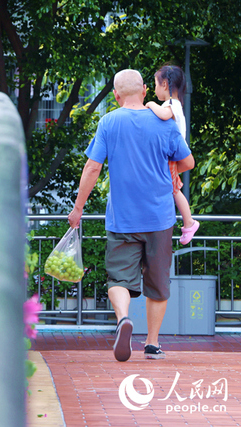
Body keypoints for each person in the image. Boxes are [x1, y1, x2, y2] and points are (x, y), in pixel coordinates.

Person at [68, 69, 194, 362]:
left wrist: (78, 208)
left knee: (118, 280)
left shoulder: (109, 122)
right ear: (145, 91)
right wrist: (171, 170)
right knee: (158, 286)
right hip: (160, 219)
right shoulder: (166, 123)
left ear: (115, 95)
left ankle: (123, 319)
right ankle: (152, 344)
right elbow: (188, 161)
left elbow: (92, 168)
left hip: (122, 219)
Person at [146, 64, 199, 244]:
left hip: (174, 154)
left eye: (155, 84)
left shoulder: (170, 104)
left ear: (165, 85)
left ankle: (189, 222)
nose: (154, 89)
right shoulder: (176, 104)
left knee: (175, 190)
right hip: (175, 155)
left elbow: (162, 115)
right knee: (174, 188)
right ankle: (188, 222)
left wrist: (150, 104)